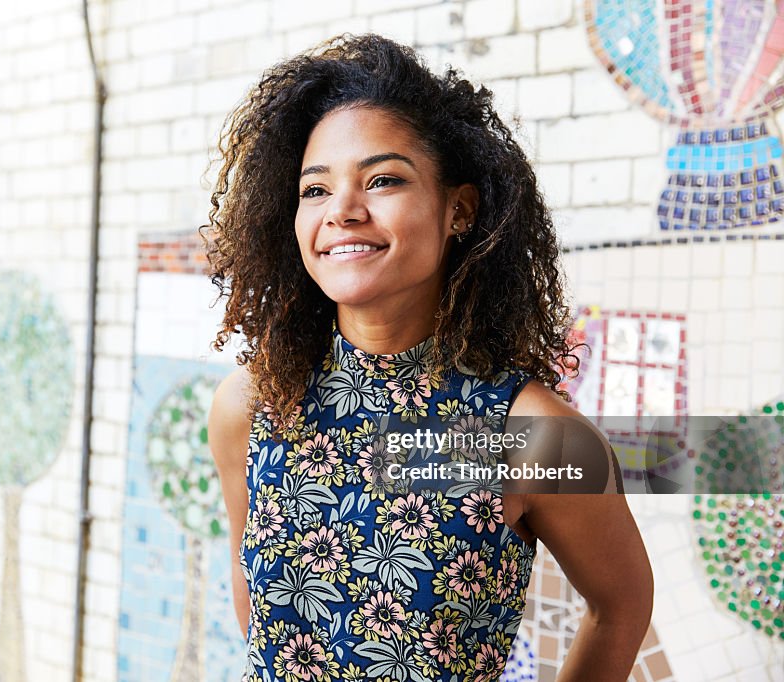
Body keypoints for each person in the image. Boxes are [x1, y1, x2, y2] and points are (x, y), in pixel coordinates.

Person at [202, 34, 653, 682]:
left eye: (383, 179)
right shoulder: (250, 407)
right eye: (315, 190)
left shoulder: (532, 436)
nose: (344, 212)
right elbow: (260, 617)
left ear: (458, 210)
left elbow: (622, 605)